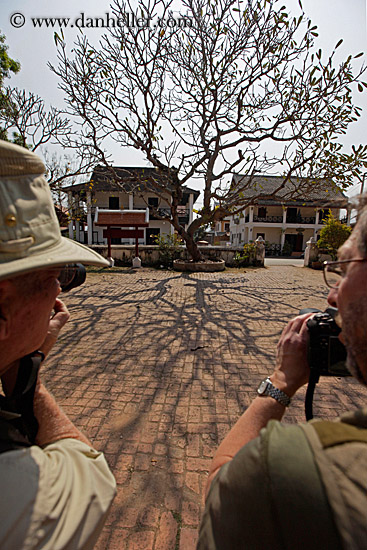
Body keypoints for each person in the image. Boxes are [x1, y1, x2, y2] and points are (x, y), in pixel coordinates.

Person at [198, 195, 367, 550]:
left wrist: (282, 381)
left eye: (345, 268)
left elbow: (219, 489)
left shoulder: (295, 467)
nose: (333, 297)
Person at [0, 140, 116, 549]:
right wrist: (27, 365)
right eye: (53, 277)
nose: (58, 292)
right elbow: (91, 479)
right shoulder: (16, 487)